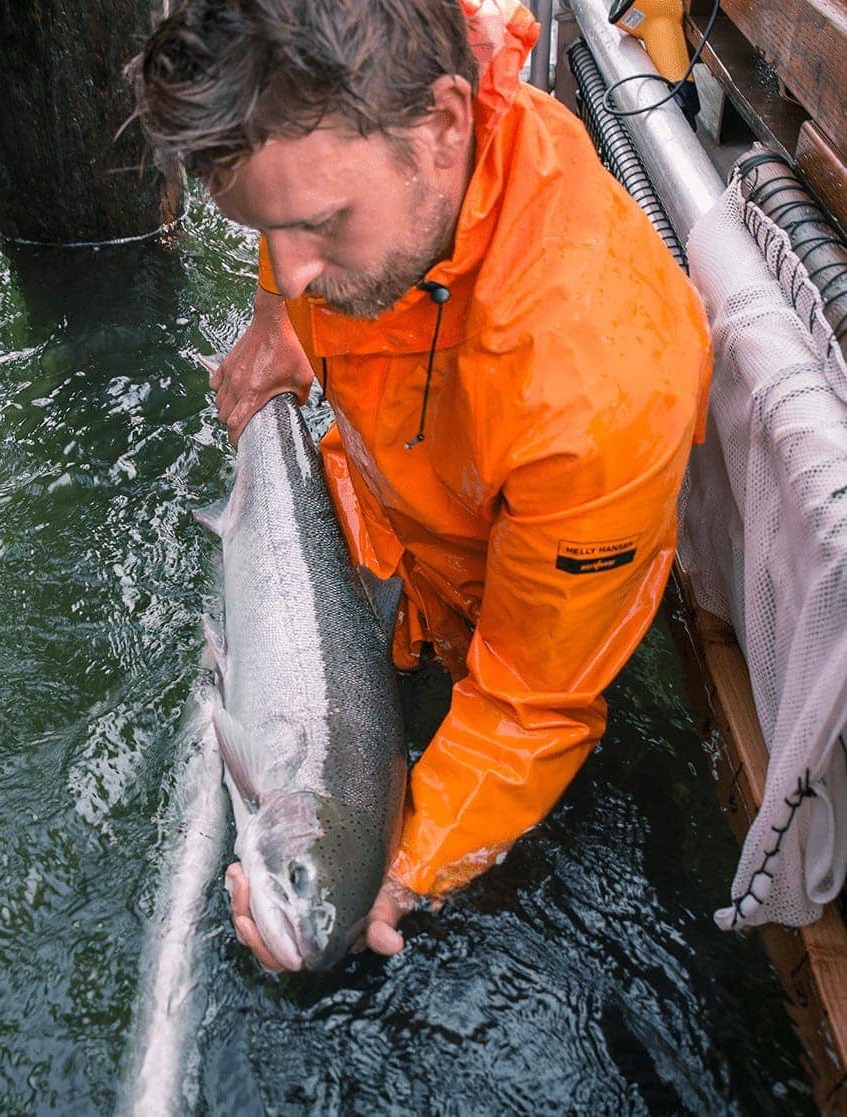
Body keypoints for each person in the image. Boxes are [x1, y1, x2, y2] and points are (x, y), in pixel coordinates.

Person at [129, 0, 711, 964]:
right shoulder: (374, 140)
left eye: (316, 227)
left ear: (443, 127)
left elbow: (531, 696)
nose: (293, 271)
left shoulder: (599, 394)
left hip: (507, 630)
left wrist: (397, 870)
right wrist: (276, 315)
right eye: (264, 232)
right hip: (382, 535)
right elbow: (300, 241)